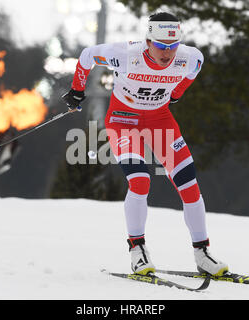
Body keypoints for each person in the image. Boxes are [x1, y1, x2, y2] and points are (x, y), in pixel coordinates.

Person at [62, 12, 228, 276]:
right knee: (140, 181)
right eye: (161, 46)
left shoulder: (189, 57)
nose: (167, 53)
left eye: (172, 46)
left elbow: (196, 67)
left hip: (159, 120)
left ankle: (202, 252)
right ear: (148, 41)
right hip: (123, 120)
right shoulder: (126, 55)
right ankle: (137, 250)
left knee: (188, 183)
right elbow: (87, 56)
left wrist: (176, 94)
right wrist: (77, 90)